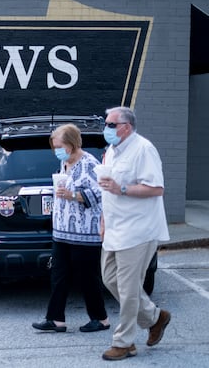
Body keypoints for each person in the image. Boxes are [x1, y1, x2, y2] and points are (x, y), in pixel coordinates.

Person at [98, 106, 171, 361]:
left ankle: (124, 342)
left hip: (138, 229)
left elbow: (156, 188)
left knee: (129, 289)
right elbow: (108, 188)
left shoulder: (144, 149)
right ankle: (154, 317)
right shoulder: (111, 151)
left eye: (110, 124)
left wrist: (123, 189)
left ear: (125, 127)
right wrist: (103, 219)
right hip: (115, 228)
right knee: (109, 278)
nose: (106, 129)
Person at [32, 124, 109, 333]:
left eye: (59, 145)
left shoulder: (89, 164)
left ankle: (100, 318)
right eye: (54, 146)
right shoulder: (64, 164)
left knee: (87, 276)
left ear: (73, 143)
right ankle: (55, 319)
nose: (56, 150)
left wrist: (73, 195)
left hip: (84, 233)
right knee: (58, 275)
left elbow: (99, 195)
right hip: (61, 231)